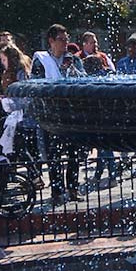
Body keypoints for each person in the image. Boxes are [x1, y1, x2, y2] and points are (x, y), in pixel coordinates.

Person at [32, 24, 83, 202]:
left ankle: (73, 188)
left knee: (73, 154)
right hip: (50, 115)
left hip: (70, 115)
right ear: (51, 41)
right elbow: (37, 84)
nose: (65, 44)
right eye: (61, 40)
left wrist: (72, 72)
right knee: (53, 155)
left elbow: (85, 81)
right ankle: (57, 191)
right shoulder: (41, 60)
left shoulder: (74, 60)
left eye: (66, 39)